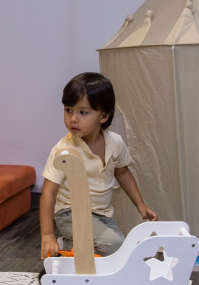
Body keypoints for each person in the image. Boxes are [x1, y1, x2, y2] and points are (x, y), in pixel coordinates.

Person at [40, 71, 157, 260]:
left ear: (103, 116)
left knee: (121, 249)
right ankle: (68, 247)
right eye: (68, 110)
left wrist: (140, 205)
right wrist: (47, 235)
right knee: (114, 245)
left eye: (83, 112)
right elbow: (48, 192)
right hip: (70, 212)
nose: (73, 119)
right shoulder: (63, 150)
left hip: (102, 214)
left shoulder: (115, 143)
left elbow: (124, 173)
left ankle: (74, 250)